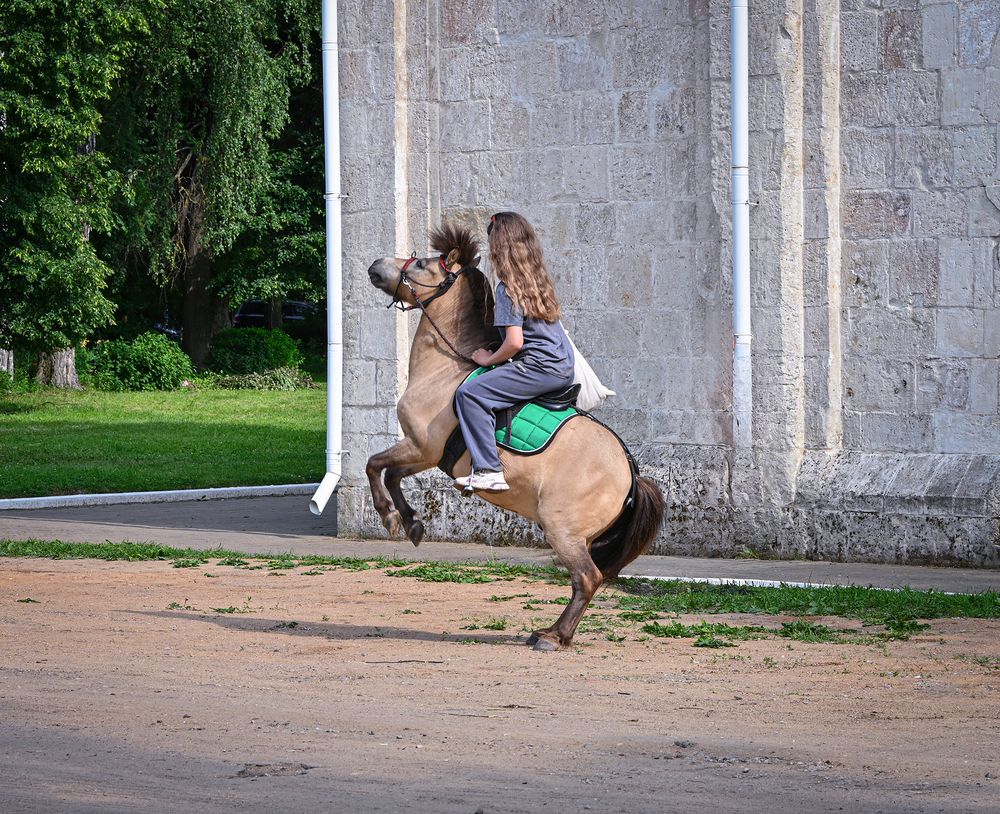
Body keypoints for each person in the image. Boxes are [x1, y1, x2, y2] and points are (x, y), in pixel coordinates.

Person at [454, 212, 575, 492]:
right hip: (561, 365)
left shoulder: (508, 289)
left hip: (539, 368)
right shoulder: (537, 282)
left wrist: (489, 359)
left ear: (499, 248)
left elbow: (514, 343)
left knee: (470, 394)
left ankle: (488, 469)